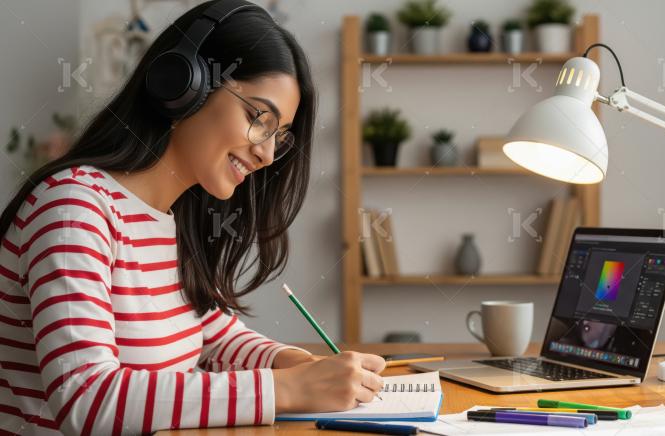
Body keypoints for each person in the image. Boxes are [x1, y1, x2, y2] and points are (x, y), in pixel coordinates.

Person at [0, 1, 385, 434]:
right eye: (260, 119)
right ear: (183, 85)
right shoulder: (74, 209)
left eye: (280, 136)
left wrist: (294, 363)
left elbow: (213, 332)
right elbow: (88, 399)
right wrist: (286, 389)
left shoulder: (173, 217)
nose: (267, 154)